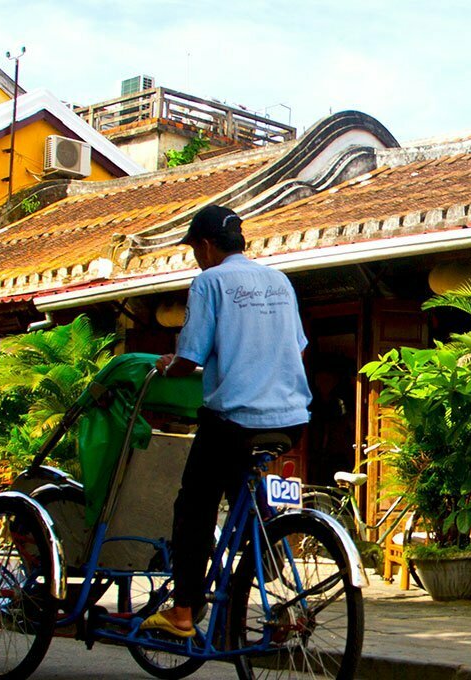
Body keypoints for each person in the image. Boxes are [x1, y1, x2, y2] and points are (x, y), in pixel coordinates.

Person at [145, 204, 311, 638]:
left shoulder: (209, 282)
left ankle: (183, 610)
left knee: (194, 505)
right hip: (290, 417)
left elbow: (190, 357)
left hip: (233, 420)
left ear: (204, 246)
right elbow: (298, 347)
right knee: (245, 495)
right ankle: (263, 571)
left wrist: (167, 365)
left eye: (195, 251)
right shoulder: (280, 281)